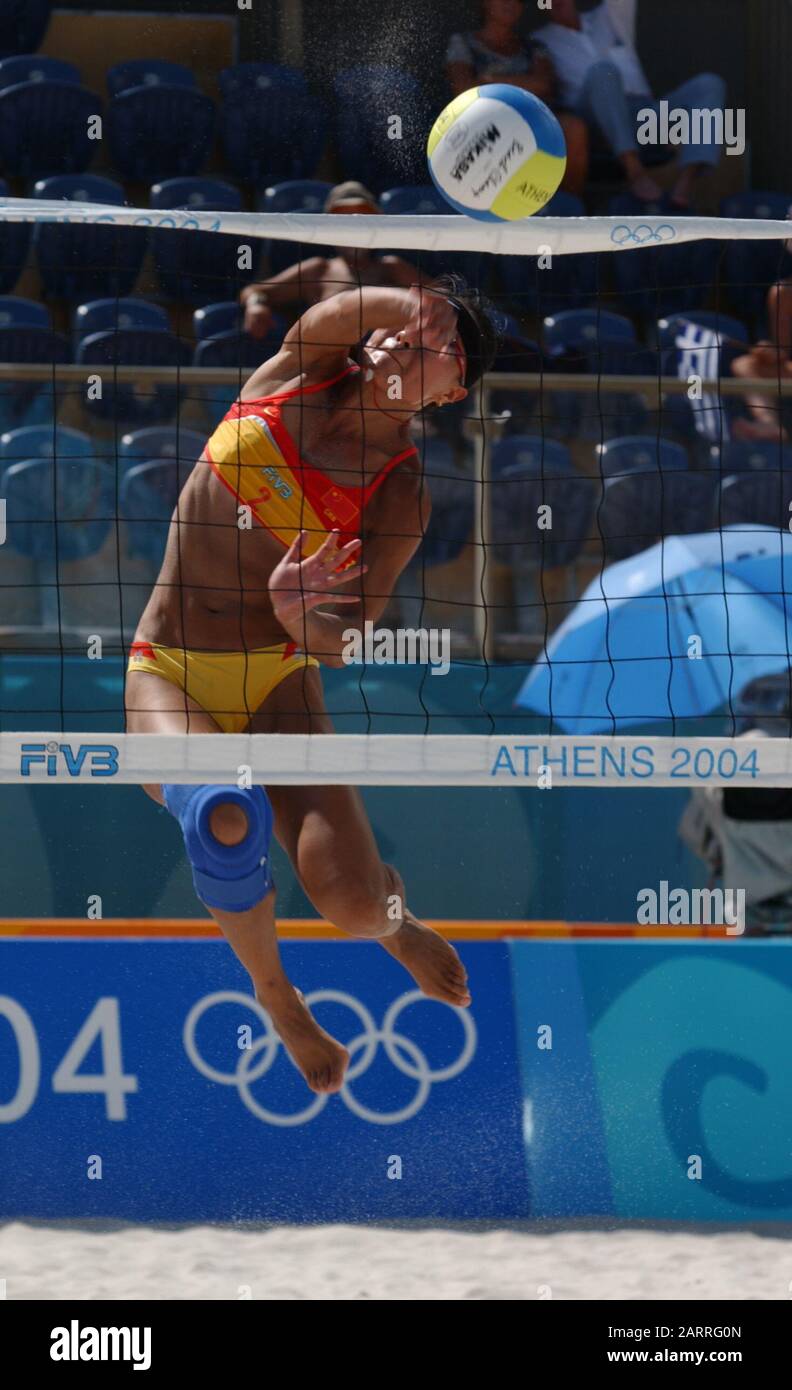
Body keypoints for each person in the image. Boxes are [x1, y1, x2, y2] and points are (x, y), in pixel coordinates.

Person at [125, 277, 499, 1094]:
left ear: (451, 392)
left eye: (437, 346)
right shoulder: (297, 372)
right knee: (226, 815)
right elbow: (347, 307)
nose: (408, 341)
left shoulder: (400, 493)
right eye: (408, 327)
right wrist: (420, 304)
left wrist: (298, 617)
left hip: (280, 682)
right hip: (170, 668)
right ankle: (276, 994)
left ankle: (394, 923)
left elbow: (346, 639)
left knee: (355, 905)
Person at [538, 0, 727, 206]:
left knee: (709, 84)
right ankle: (635, 172)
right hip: (595, 123)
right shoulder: (541, 40)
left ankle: (686, 180)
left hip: (644, 116)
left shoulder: (608, 17)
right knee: (604, 71)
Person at [242, 181, 431, 340]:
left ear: (377, 223)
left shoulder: (392, 268)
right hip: (331, 369)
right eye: (343, 220)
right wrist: (256, 304)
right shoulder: (318, 270)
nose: (353, 227)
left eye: (362, 218)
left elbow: (444, 297)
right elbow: (254, 291)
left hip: (388, 367)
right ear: (328, 227)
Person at [445, 0, 589, 197]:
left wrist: (488, 80)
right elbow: (463, 89)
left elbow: (544, 84)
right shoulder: (463, 42)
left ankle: (568, 207)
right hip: (482, 125)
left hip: (532, 120)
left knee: (573, 128)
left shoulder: (534, 46)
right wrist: (522, 83)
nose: (510, 4)